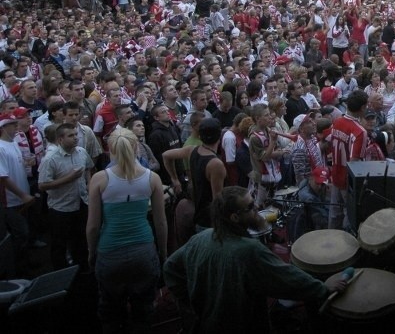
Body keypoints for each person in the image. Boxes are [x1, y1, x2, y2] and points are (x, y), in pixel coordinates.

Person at [163, 186, 347, 333]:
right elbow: (288, 279)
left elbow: (170, 267)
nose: (257, 208)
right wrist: (322, 288)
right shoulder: (248, 251)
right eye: (250, 207)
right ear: (234, 217)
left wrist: (190, 306)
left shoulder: (201, 238)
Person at [86, 128, 168, 333]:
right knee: (143, 310)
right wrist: (163, 252)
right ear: (135, 147)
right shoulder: (152, 178)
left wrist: (91, 252)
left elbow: (93, 225)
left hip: (110, 250)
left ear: (110, 148)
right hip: (143, 249)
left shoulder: (99, 179)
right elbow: (160, 222)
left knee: (111, 311)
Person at [37, 122, 94, 271]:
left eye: (76, 135)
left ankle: (82, 269)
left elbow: (88, 167)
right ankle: (61, 272)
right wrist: (67, 179)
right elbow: (42, 185)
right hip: (61, 208)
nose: (75, 138)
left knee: (81, 239)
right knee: (59, 244)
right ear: (60, 139)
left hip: (81, 203)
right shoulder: (50, 159)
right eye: (71, 136)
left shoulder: (81, 152)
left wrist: (89, 182)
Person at [328, 89, 368, 230]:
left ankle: (329, 244)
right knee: (349, 216)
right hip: (347, 182)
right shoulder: (360, 132)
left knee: (334, 215)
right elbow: (355, 163)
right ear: (363, 107)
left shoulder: (337, 121)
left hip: (335, 175)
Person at [0, 111, 35, 268]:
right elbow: (3, 177)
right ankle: (15, 269)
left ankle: (24, 264)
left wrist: (27, 162)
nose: (17, 127)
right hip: (11, 201)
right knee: (20, 234)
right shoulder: (0, 148)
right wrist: (22, 195)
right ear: (3, 127)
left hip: (22, 197)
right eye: (13, 125)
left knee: (24, 233)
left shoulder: (13, 143)